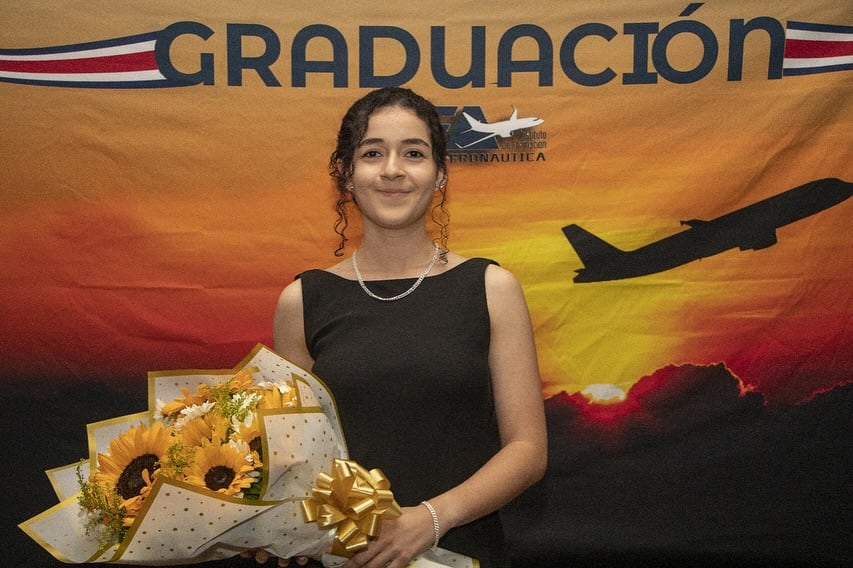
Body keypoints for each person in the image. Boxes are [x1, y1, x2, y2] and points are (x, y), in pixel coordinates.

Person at [270, 87, 547, 568]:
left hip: (462, 551)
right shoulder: (301, 300)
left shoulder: (490, 287)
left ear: (439, 174)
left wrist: (431, 519)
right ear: (345, 173)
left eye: (413, 153)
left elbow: (527, 450)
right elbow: (292, 455)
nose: (393, 169)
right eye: (372, 153)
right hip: (345, 557)